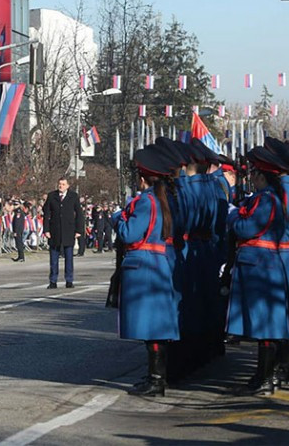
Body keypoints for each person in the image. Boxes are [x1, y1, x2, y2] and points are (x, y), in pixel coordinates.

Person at [112, 148, 179, 397]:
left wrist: (118, 217)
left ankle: (156, 379)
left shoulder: (144, 202)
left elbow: (129, 233)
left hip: (143, 264)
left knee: (150, 327)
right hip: (157, 262)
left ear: (143, 179)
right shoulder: (159, 200)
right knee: (156, 326)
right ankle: (156, 376)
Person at [226, 147, 289, 396]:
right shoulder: (268, 197)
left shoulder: (266, 199)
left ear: (262, 175)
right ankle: (262, 375)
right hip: (260, 263)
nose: (251, 177)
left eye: (254, 173)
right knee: (263, 323)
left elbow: (246, 228)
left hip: (260, 264)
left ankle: (265, 377)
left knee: (264, 324)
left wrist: (233, 217)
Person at [42, 177, 84, 289]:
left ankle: (69, 280)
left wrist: (79, 230)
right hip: (54, 231)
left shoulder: (73, 196)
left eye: (63, 184)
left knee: (69, 258)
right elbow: (46, 214)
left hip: (69, 230)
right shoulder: (52, 196)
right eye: (59, 184)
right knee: (54, 258)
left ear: (68, 186)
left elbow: (79, 214)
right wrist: (46, 230)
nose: (61, 186)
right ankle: (53, 280)